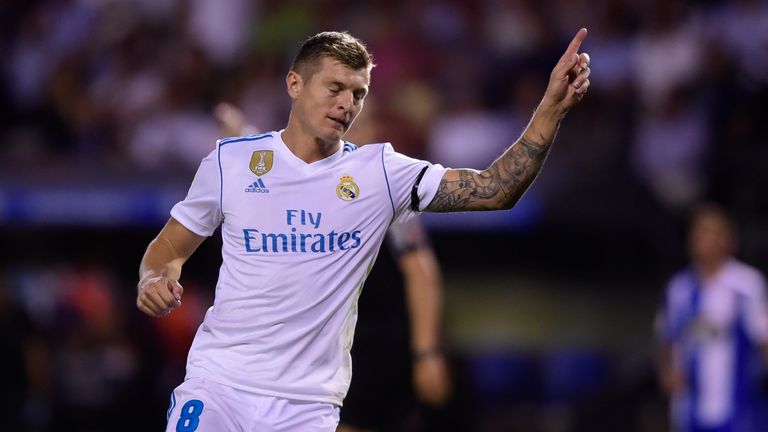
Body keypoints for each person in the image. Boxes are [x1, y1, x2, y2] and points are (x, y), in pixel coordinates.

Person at [137, 29, 591, 431]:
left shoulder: (379, 173)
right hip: (221, 386)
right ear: (294, 84)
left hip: (308, 407)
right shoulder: (230, 162)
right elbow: (168, 249)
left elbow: (495, 189)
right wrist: (153, 278)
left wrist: (549, 110)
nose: (346, 104)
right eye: (335, 88)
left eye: (358, 93)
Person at [213, 101, 453, 430]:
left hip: (377, 344)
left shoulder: (381, 188)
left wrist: (426, 353)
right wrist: (239, 130)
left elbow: (421, 272)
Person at [655, 204, 768, 432]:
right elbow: (665, 337)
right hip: (689, 409)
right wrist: (666, 372)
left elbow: (764, 340)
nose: (701, 239)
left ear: (727, 240)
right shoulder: (679, 289)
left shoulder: (746, 285)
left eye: (710, 232)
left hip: (738, 408)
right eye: (698, 232)